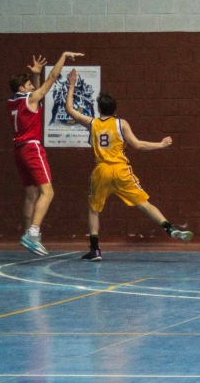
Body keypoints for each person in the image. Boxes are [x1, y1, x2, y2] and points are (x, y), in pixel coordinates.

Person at [64, 70, 192, 261]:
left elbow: (69, 109)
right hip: (121, 169)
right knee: (144, 204)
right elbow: (138, 145)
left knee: (94, 209)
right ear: (115, 108)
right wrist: (161, 144)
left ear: (99, 108)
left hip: (101, 170)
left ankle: (95, 250)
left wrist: (72, 85)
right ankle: (169, 228)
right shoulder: (121, 124)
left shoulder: (92, 123)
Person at [8, 51, 83, 256]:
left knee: (31, 194)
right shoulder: (31, 99)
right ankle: (33, 234)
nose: (33, 86)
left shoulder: (13, 102)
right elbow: (51, 79)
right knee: (48, 192)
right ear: (23, 89)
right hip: (32, 148)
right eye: (30, 84)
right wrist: (63, 56)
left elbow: (35, 94)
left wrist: (35, 75)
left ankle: (27, 233)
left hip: (19, 150)